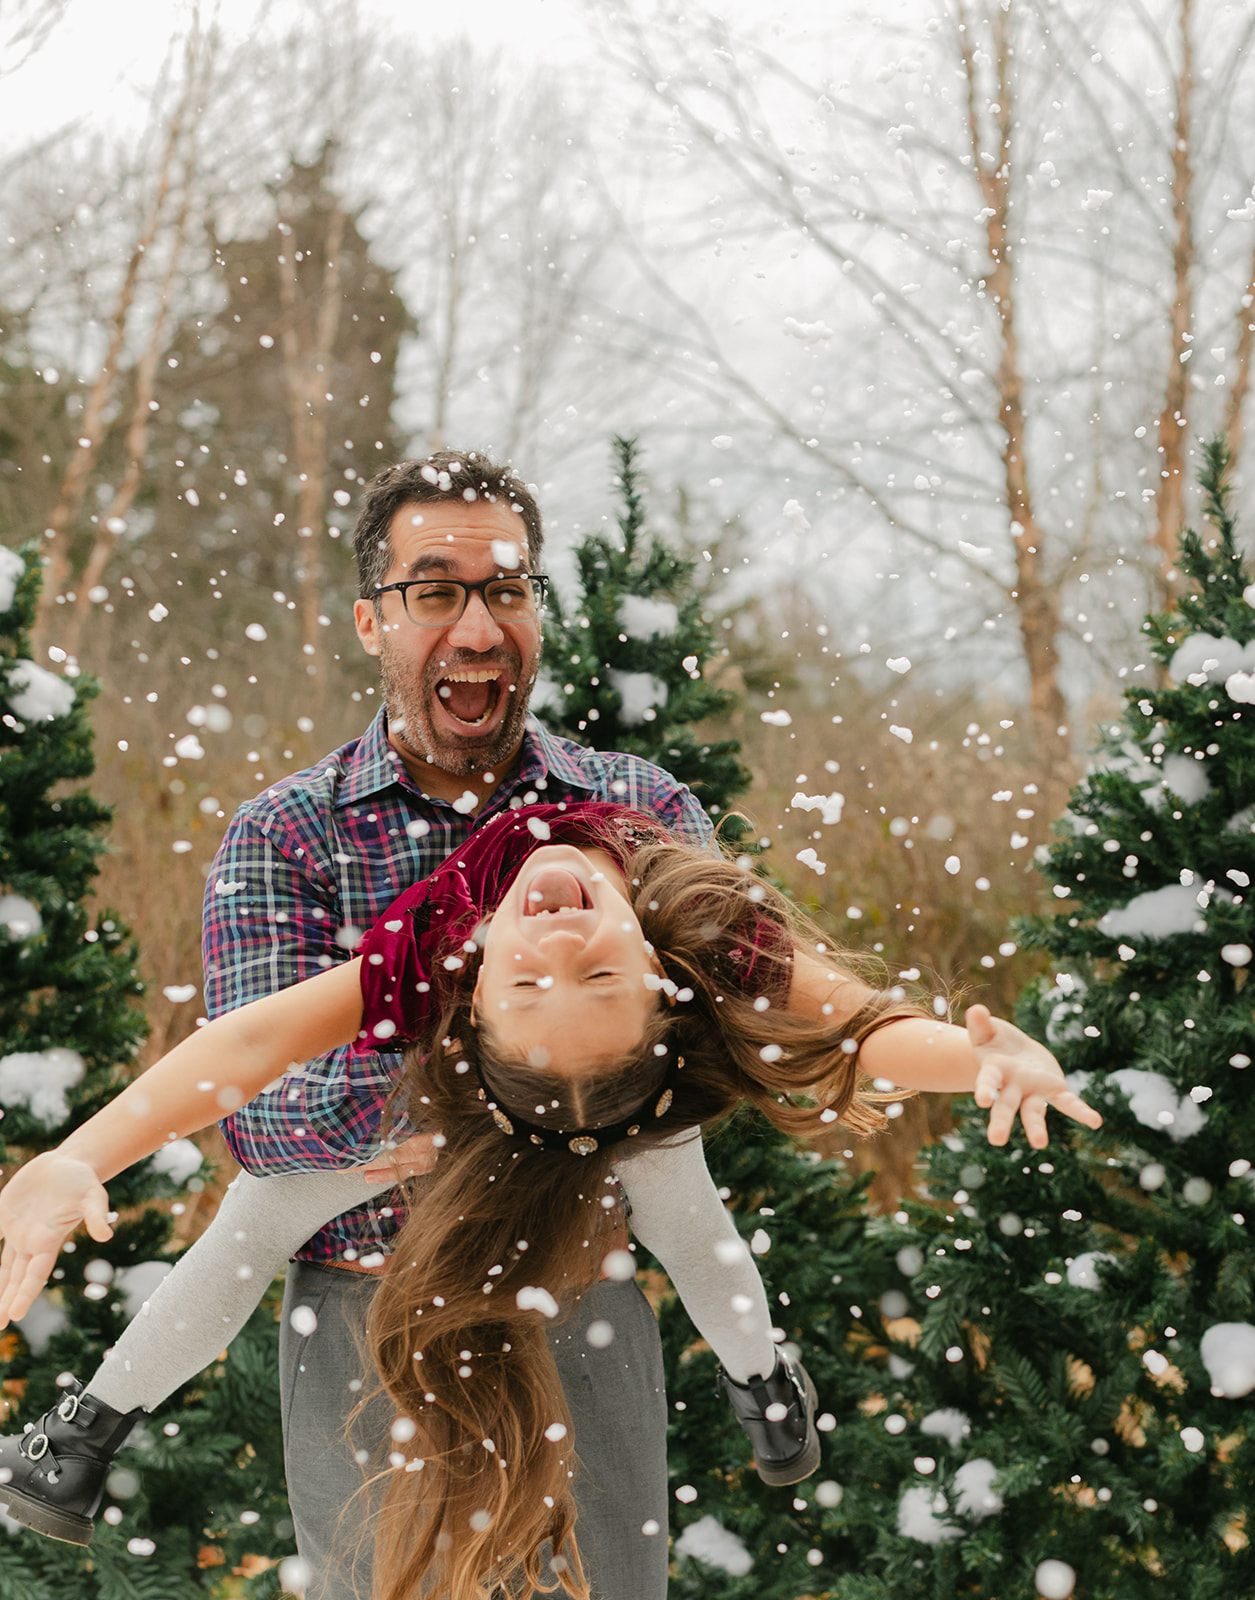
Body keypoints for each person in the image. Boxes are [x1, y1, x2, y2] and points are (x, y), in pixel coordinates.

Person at [0, 451, 799, 1600]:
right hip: (366, 1306)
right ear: (373, 620)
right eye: (435, 590)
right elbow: (267, 1120)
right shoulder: (289, 836)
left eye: (506, 591)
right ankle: (88, 1430)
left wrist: (937, 1045)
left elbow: (745, 1005)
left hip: (584, 1285)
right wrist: (508, 1083)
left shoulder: (639, 811)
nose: (477, 625)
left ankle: (765, 1380)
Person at [0, 797, 1100, 1600]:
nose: (560, 943)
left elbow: (851, 1031)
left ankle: (765, 1377)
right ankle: (88, 1430)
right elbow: (246, 1043)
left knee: (680, 1207)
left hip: (619, 1096)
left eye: (543, 977)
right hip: (506, 1099)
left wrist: (978, 1062)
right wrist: (80, 1158)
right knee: (268, 1209)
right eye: (568, 975)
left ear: (467, 984)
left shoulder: (447, 945)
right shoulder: (689, 931)